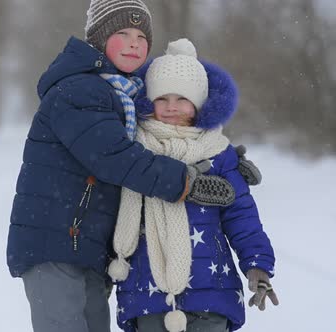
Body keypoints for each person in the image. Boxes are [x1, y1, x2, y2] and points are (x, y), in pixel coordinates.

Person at [6, 1, 260, 331]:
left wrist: (223, 162)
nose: (133, 43)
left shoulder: (121, 95)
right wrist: (186, 182)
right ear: (97, 39)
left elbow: (167, 139)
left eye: (142, 36)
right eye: (122, 33)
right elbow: (118, 157)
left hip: (88, 246)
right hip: (55, 242)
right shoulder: (80, 89)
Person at [110, 38, 278, 332]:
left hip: (211, 288)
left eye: (182, 99)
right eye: (162, 98)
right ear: (148, 101)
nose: (171, 107)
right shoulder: (132, 150)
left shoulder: (219, 155)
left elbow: (241, 215)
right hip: (146, 290)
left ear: (199, 104)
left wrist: (257, 264)